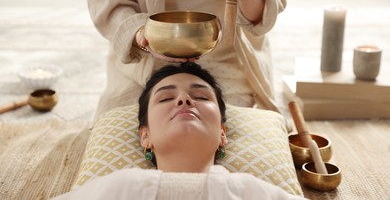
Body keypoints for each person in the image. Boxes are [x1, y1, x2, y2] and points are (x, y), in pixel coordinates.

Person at [88, 0, 287, 120]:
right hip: (143, 59)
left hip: (226, 56)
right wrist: (143, 35)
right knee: (124, 132)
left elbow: (262, 16)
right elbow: (109, 1)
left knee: (222, 131)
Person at [53, 63, 305, 199]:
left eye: (200, 96)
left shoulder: (252, 192)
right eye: (165, 99)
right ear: (145, 135)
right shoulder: (116, 189)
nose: (184, 99)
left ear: (222, 133)